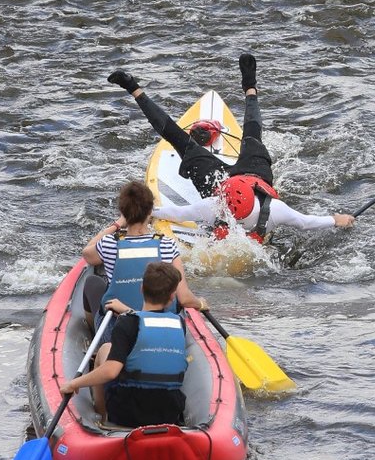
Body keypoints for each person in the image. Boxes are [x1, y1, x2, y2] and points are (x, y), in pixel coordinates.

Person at [106, 54, 355, 244]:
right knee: (191, 140)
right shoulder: (217, 203)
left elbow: (306, 222)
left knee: (234, 138)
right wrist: (140, 215)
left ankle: (249, 87)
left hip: (247, 180)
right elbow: (173, 212)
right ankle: (134, 88)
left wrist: (336, 220)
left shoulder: (265, 210)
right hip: (237, 178)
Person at [61, 261, 189, 427]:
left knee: (105, 349)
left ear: (141, 288)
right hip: (169, 412)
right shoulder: (179, 323)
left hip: (129, 413)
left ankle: (103, 420)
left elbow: (110, 371)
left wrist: (74, 383)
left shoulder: (128, 323)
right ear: (172, 296)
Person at [80, 179, 207, 325]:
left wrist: (117, 224)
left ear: (123, 212)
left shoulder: (109, 243)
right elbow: (184, 298)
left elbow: (87, 253)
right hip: (158, 325)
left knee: (92, 282)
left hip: (119, 326)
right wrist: (201, 303)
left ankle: (92, 334)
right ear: (150, 211)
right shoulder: (167, 245)